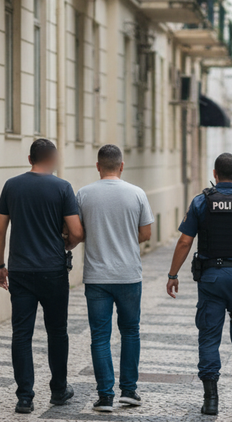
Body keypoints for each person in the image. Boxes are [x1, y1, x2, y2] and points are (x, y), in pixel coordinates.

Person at [165, 153, 232, 416]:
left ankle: (211, 400)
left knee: (209, 337)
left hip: (211, 280)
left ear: (215, 174)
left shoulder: (202, 201)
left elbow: (184, 242)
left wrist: (172, 275)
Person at [0, 139, 84, 414]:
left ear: (29, 157)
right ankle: (58, 390)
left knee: (22, 334)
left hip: (20, 271)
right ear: (53, 159)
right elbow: (77, 232)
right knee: (57, 332)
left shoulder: (12, 185)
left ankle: (24, 397)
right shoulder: (62, 187)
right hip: (53, 271)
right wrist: (64, 245)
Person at [76, 145, 154, 413]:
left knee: (100, 336)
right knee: (131, 332)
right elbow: (146, 234)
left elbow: (75, 231)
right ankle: (129, 392)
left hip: (96, 276)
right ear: (121, 166)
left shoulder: (84, 194)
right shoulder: (137, 193)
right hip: (129, 275)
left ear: (98, 166)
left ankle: (105, 396)